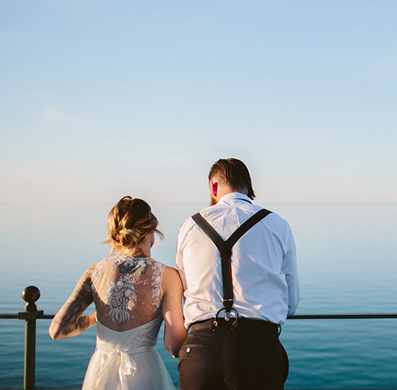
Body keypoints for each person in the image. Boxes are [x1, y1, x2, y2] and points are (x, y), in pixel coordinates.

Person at [176, 158, 300, 390]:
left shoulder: (189, 226)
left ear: (213, 187)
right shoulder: (277, 224)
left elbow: (185, 290)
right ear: (248, 185)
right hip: (259, 349)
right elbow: (291, 304)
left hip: (200, 350)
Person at [49, 196, 187, 390]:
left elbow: (57, 329)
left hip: (100, 373)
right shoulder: (167, 276)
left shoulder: (95, 271)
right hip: (144, 374)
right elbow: (174, 346)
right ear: (151, 231)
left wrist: (97, 318)